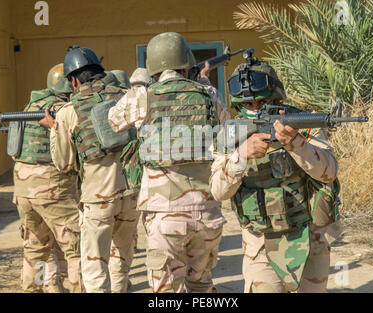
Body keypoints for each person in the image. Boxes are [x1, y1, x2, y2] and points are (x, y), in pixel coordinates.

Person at [108, 32, 230, 293]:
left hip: (163, 215)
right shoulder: (208, 94)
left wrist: (138, 86)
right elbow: (227, 129)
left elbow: (114, 121)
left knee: (166, 292)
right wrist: (204, 83)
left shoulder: (145, 97)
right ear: (187, 63)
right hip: (207, 212)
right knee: (202, 286)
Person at [209, 57, 342, 293]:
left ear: (276, 98)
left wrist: (297, 144)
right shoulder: (231, 135)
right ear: (239, 106)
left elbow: (329, 173)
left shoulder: (302, 123)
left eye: (263, 102)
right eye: (248, 104)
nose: (256, 109)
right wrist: (241, 155)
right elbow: (218, 192)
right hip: (259, 244)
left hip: (310, 238)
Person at [39, 46, 140, 293]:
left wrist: (56, 128)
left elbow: (63, 164)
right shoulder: (129, 96)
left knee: (96, 271)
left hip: (98, 199)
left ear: (73, 80)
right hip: (133, 194)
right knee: (121, 263)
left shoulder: (69, 111)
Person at [13, 63, 82, 293]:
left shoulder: (31, 105)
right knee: (77, 247)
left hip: (23, 185)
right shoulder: (65, 108)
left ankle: (40, 289)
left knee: (36, 246)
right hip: (52, 185)